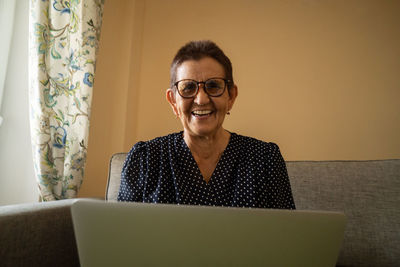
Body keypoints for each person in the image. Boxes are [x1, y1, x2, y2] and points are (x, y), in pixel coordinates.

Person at [118, 40, 295, 209]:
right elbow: (123, 234)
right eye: (188, 87)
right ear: (173, 101)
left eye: (213, 86)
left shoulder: (265, 160)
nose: (201, 99)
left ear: (231, 97)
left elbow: (287, 234)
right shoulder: (145, 160)